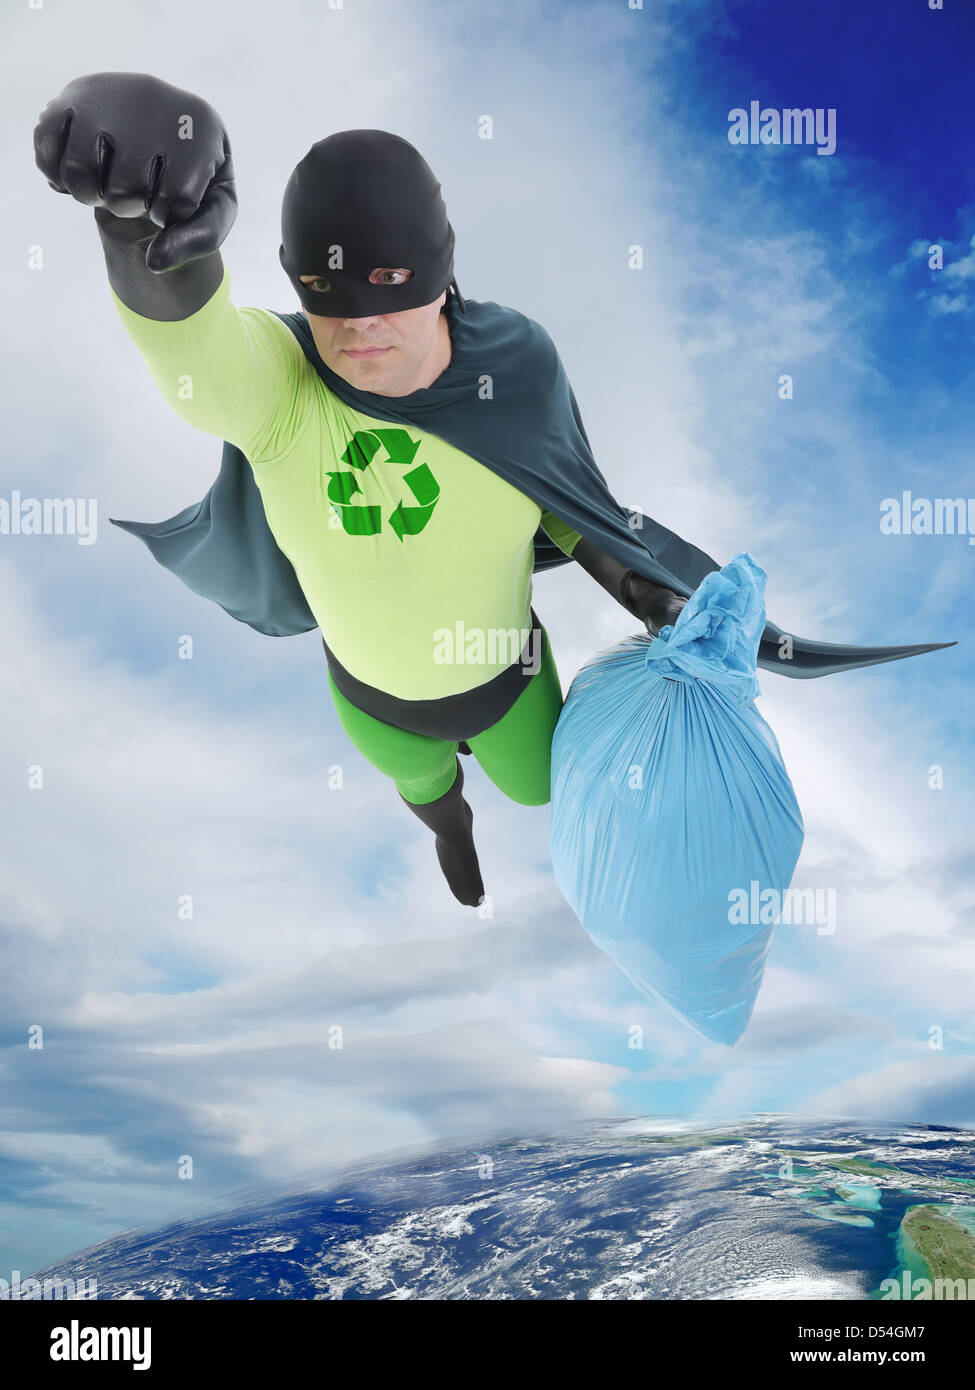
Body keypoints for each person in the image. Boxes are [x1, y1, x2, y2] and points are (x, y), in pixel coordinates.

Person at [33, 72, 951, 907]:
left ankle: (514, 829)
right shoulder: (283, 385)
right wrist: (144, 238)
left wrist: (645, 588)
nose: (357, 330)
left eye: (390, 282)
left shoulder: (512, 367)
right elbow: (194, 357)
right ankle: (452, 831)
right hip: (371, 698)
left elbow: (565, 495)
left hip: (508, 679)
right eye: (321, 288)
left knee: (542, 785)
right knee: (426, 790)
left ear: (440, 269)